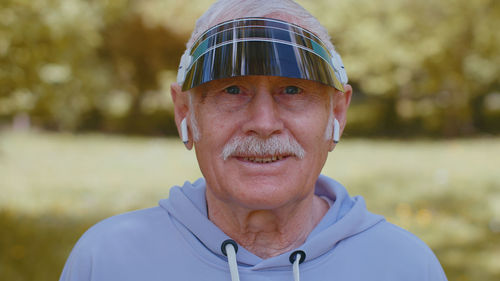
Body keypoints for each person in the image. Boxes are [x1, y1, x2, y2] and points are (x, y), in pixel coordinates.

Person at [59, 0, 448, 280]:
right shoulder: (107, 260)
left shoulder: (406, 266)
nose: (263, 123)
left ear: (337, 114)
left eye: (293, 90)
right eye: (232, 90)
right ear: (185, 112)